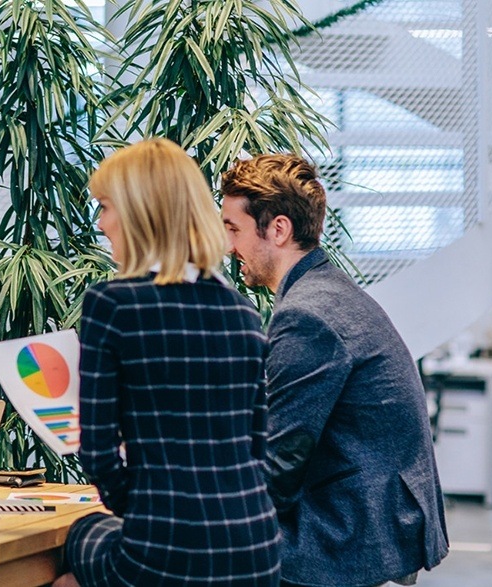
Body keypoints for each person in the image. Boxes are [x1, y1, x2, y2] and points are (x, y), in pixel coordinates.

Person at [55, 138, 280, 587]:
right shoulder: (242, 312)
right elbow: (259, 445)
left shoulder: (113, 303)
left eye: (105, 207)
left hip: (167, 551)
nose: (101, 225)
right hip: (256, 549)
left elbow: (97, 450)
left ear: (140, 212)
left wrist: (141, 508)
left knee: (77, 537)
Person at [220, 153, 448, 586]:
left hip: (349, 528)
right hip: (377, 511)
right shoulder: (327, 289)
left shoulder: (309, 314)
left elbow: (277, 466)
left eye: (234, 229)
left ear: (279, 229)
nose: (228, 246)